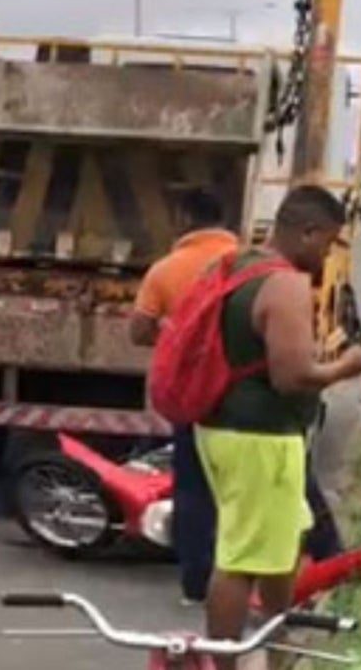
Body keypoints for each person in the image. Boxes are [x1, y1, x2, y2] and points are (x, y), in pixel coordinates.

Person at [196, 185, 361, 669]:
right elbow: (292, 375)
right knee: (240, 559)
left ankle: (280, 652)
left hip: (225, 429)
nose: (327, 253)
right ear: (307, 231)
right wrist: (347, 366)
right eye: (328, 242)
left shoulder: (236, 266)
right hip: (261, 440)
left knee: (282, 544)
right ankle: (225, 663)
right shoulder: (286, 284)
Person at [130, 188, 237, 605]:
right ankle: (241, 577)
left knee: (193, 487)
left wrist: (174, 333)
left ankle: (197, 583)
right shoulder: (247, 264)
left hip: (193, 397)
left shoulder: (166, 270)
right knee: (238, 487)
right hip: (241, 395)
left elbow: (139, 331)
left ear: (182, 220)